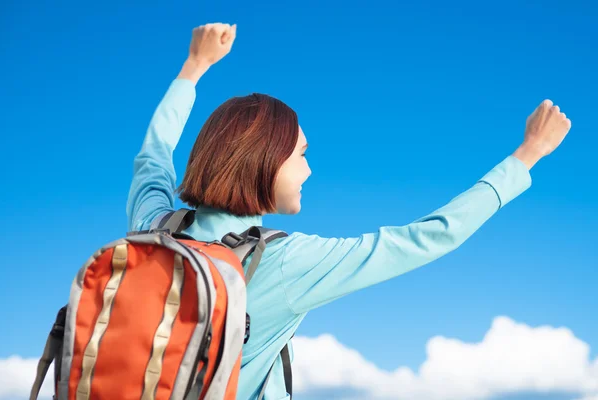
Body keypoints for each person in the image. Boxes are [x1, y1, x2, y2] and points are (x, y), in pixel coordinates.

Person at [126, 22, 571, 400]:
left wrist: (194, 66)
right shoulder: (282, 264)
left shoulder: (153, 228)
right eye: (301, 154)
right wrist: (528, 155)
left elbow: (153, 157)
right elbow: (429, 237)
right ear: (265, 161)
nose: (309, 169)